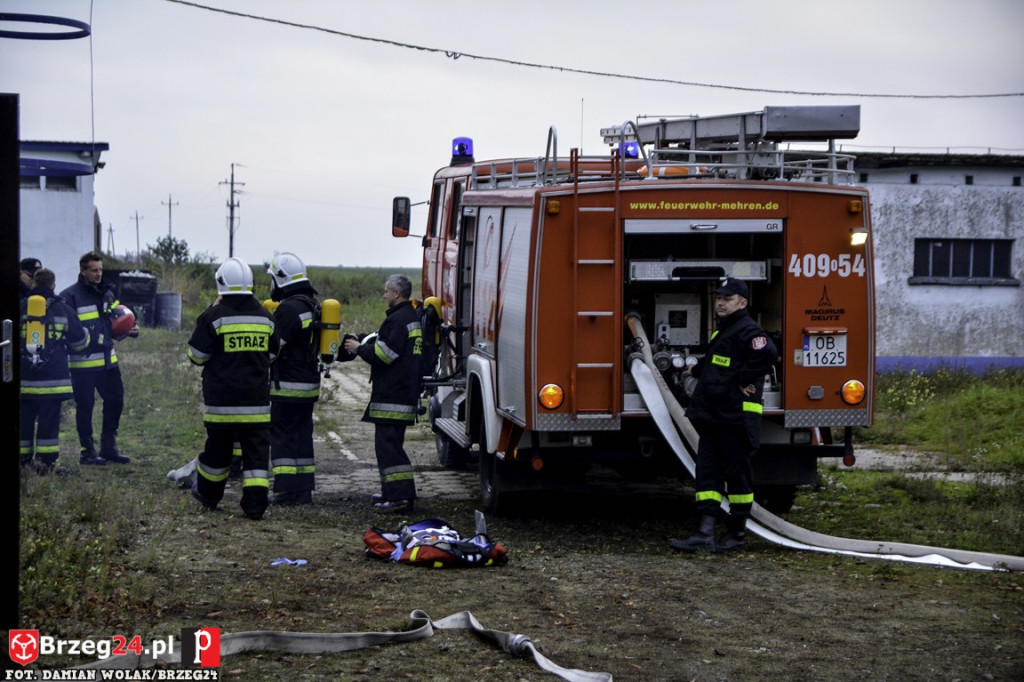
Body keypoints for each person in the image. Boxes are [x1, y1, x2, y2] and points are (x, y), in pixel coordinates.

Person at [670, 277, 777, 553]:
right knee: (707, 474)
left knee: (737, 477)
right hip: (714, 417)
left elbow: (767, 354)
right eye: (718, 297)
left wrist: (744, 378)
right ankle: (704, 532)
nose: (720, 302)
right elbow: (719, 360)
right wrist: (695, 370)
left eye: (727, 299)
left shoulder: (749, 331)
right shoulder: (725, 331)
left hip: (736, 419)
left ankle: (736, 535)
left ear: (742, 303)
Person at [187, 257, 279, 520]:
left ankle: (208, 494)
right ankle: (255, 506)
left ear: (220, 284)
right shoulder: (266, 317)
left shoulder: (213, 317)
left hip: (221, 404)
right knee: (257, 458)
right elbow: (273, 354)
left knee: (217, 452)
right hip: (256, 403)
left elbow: (196, 356)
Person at [342, 273, 422, 513]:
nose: (384, 294)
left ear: (397, 294)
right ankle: (393, 493)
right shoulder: (410, 317)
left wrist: (359, 348)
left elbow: (384, 355)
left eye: (387, 290)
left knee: (390, 449)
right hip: (402, 393)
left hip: (393, 397)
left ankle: (399, 498)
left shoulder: (398, 320)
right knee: (390, 447)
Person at [60, 251, 136, 465]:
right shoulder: (70, 296)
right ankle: (87, 451)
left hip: (108, 362)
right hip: (83, 365)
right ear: (82, 271)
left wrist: (128, 327)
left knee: (116, 400)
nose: (98, 274)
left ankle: (108, 447)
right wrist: (99, 338)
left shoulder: (106, 292)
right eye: (94, 270)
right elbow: (72, 331)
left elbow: (116, 317)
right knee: (85, 407)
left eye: (100, 270)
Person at [20, 268, 90, 474]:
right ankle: (46, 464)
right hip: (52, 383)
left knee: (23, 423)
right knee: (48, 424)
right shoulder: (63, 309)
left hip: (24, 381)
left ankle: (23, 462)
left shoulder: (21, 307)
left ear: (33, 284)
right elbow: (80, 342)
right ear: (53, 285)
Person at [266, 252, 321, 505]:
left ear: (281, 279)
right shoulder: (312, 305)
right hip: (308, 385)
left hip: (287, 386)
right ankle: (303, 490)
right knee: (302, 436)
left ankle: (286, 490)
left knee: (283, 437)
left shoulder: (288, 309)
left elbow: (273, 348)